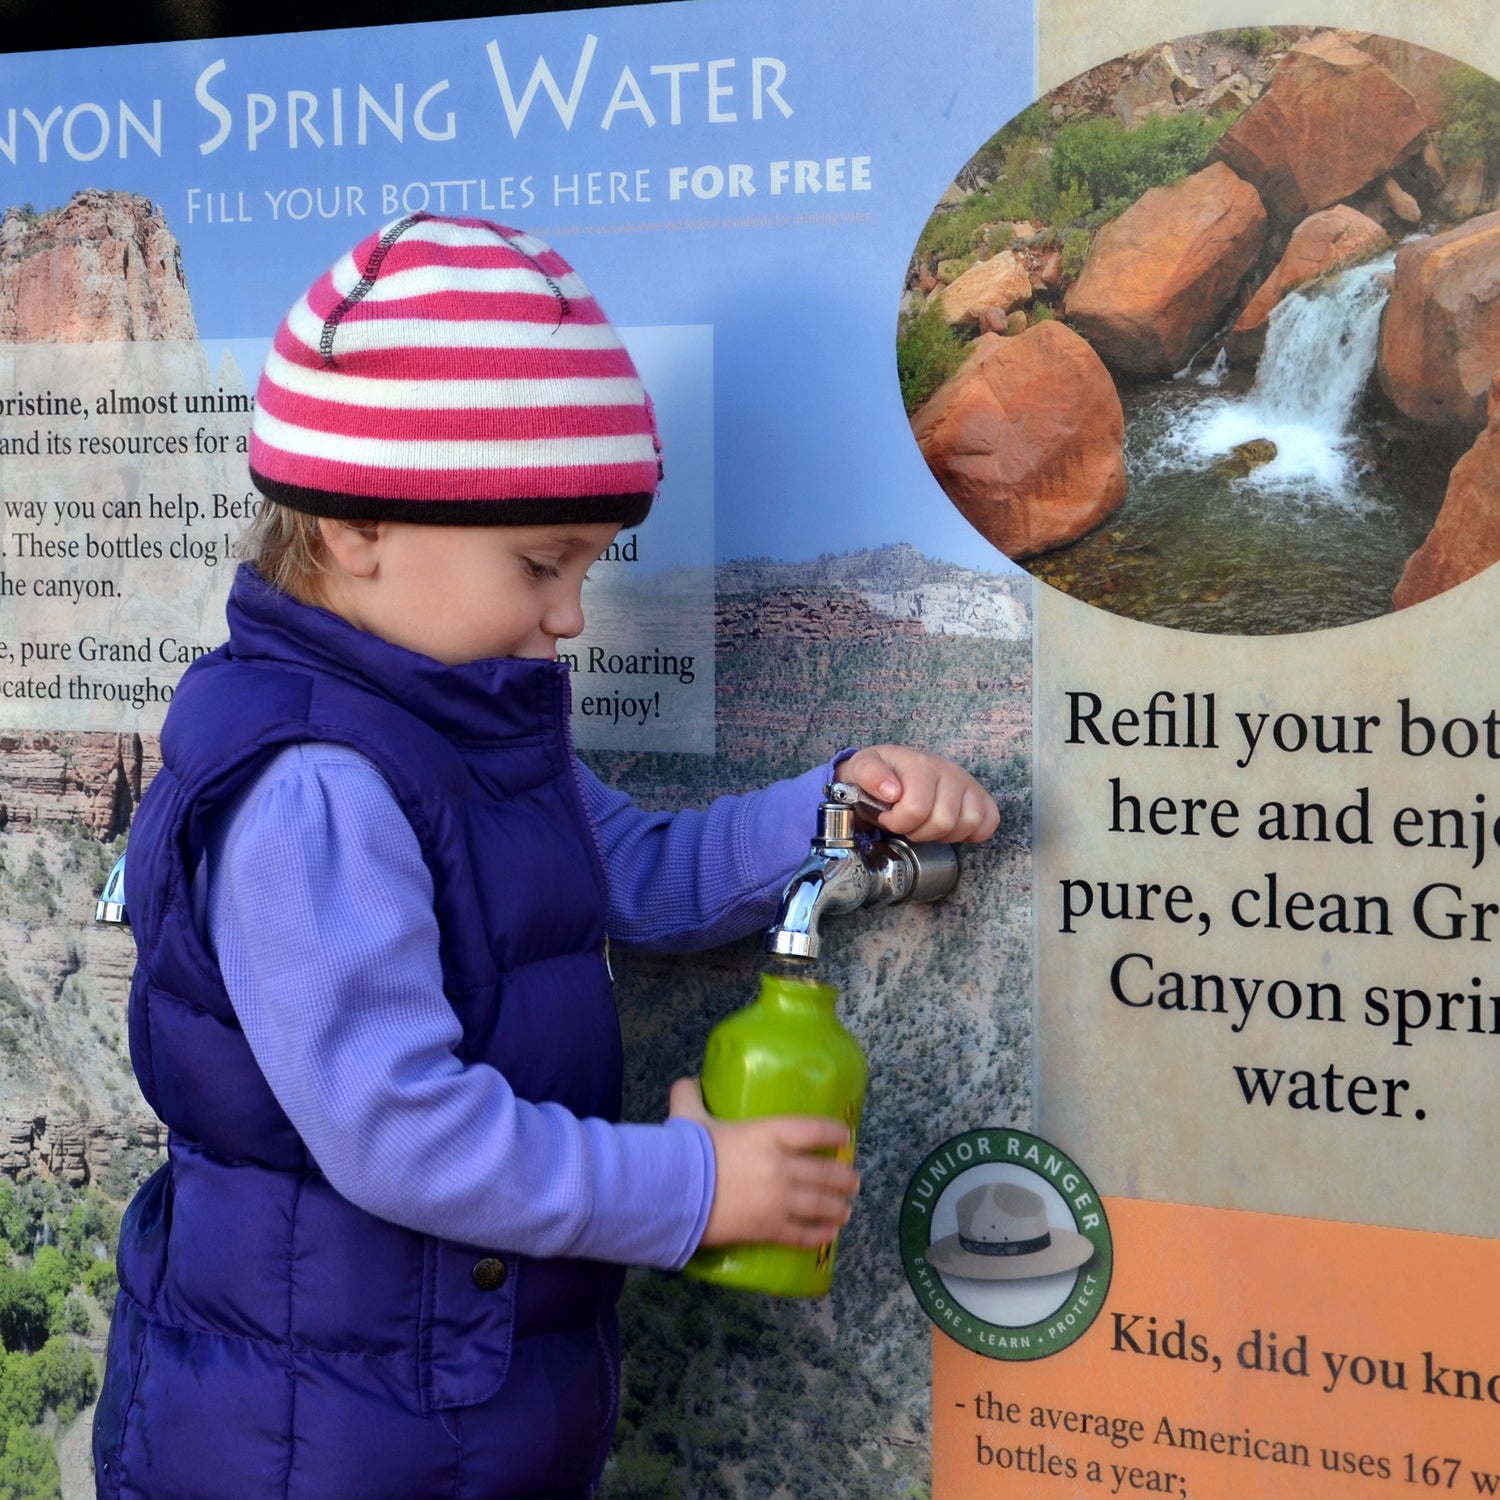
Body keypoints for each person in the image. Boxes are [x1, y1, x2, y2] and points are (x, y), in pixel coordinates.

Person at [93, 214, 999, 1499]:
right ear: (358, 525)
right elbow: (402, 1132)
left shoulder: (454, 711)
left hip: (443, 1400)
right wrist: (688, 1187)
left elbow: (626, 868)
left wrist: (832, 806)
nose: (570, 615)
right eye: (540, 564)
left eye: (587, 564)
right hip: (318, 1441)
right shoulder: (314, 787)